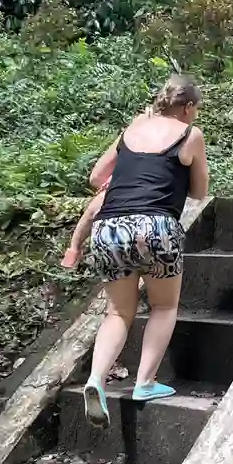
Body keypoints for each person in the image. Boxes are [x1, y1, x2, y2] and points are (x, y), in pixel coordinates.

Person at [71, 73, 209, 425]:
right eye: (196, 109)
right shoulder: (190, 135)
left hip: (109, 228)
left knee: (117, 313)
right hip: (156, 227)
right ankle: (145, 382)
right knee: (164, 305)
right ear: (188, 107)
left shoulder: (130, 131)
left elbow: (95, 176)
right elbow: (199, 192)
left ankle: (95, 380)